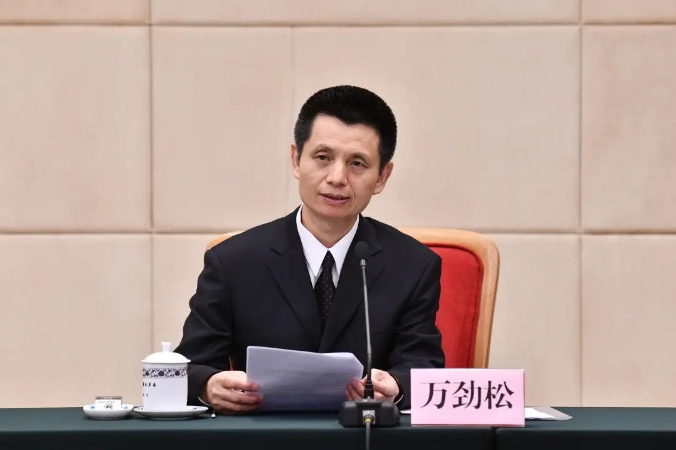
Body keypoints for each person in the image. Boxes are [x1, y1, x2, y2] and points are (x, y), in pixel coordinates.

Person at [174, 85, 444, 413]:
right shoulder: (234, 262)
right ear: (296, 160)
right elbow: (188, 368)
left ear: (382, 177)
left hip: (364, 433)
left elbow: (424, 369)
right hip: (261, 432)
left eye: (357, 163)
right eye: (323, 157)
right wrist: (208, 386)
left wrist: (397, 387)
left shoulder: (413, 265)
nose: (337, 177)